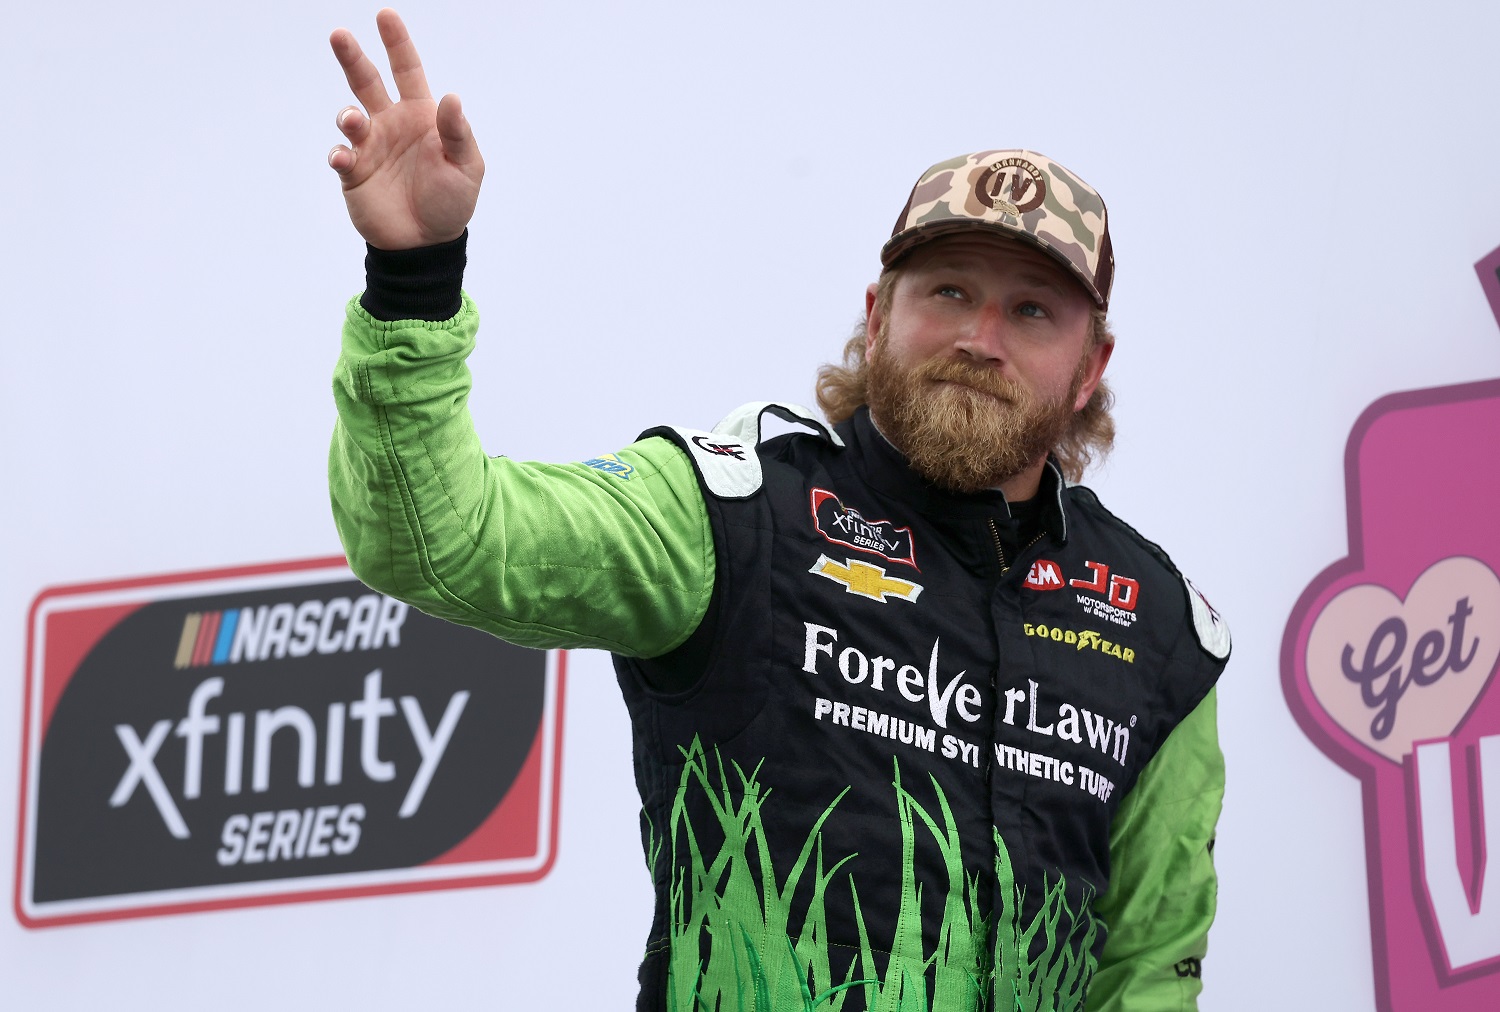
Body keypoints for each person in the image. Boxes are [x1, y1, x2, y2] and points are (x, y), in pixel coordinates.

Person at [326, 11, 1231, 1011]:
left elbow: (1149, 970)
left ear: (1089, 368)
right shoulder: (732, 513)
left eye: (1030, 310)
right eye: (949, 289)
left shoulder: (1158, 630)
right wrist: (415, 279)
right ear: (881, 315)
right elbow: (441, 540)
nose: (981, 336)